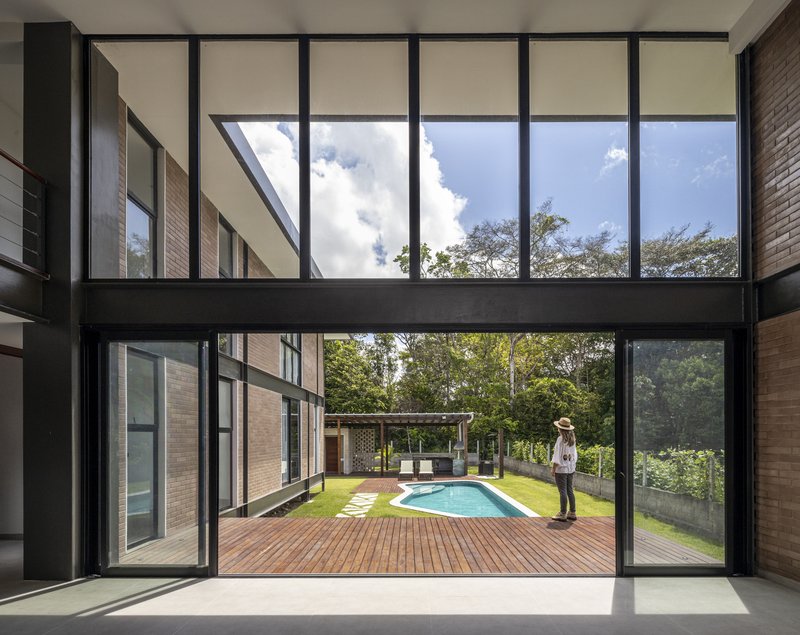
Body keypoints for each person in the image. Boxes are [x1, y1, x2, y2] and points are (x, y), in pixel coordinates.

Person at [550, 417, 577, 521]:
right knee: (570, 490)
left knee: (563, 491)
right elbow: (575, 455)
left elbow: (557, 456)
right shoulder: (572, 440)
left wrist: (553, 469)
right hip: (570, 468)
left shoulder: (560, 440)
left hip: (561, 469)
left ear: (560, 429)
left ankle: (562, 513)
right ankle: (572, 512)